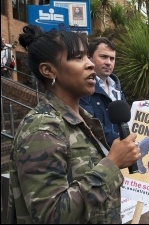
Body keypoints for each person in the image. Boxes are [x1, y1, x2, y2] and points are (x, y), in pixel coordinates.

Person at [7, 24, 141, 224]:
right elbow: (50, 216)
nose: (90, 65)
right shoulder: (42, 129)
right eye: (78, 58)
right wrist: (112, 164)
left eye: (87, 56)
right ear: (48, 70)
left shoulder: (83, 120)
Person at [80, 37, 126, 147]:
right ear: (90, 58)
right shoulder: (82, 88)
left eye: (112, 58)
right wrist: (119, 141)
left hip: (121, 153)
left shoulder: (117, 89)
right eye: (103, 57)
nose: (108, 62)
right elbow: (90, 124)